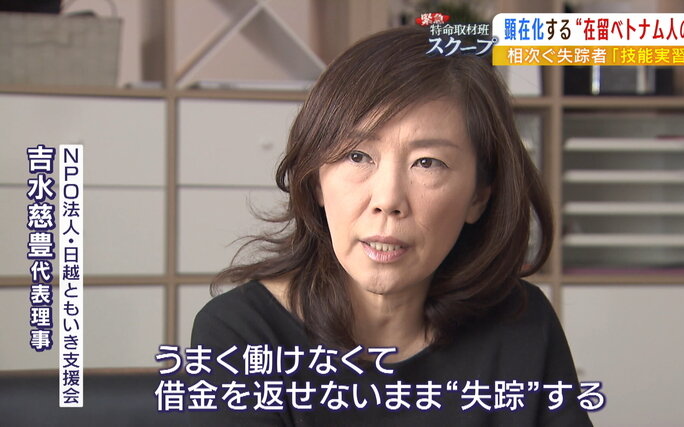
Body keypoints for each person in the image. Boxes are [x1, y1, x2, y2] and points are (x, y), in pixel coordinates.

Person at [190, 25, 594, 426]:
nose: (387, 200)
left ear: (478, 196)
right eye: (357, 156)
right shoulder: (241, 335)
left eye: (427, 163)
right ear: (315, 182)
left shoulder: (521, 322)